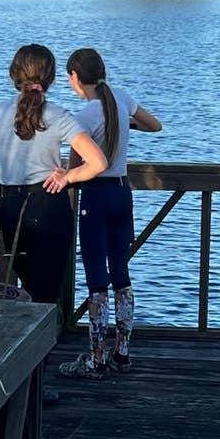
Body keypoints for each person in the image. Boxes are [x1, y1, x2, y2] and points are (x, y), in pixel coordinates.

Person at [0, 44, 109, 314]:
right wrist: (67, 176)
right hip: (48, 205)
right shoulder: (59, 116)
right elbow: (98, 163)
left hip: (10, 207)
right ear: (50, 77)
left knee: (28, 290)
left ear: (15, 74)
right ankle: (43, 352)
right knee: (46, 296)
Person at [58, 47, 163, 379]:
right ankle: (123, 352)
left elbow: (78, 167)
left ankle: (95, 357)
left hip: (97, 196)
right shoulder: (121, 98)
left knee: (95, 279)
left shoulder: (84, 117)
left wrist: (64, 176)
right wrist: (124, 123)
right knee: (121, 273)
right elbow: (155, 125)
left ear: (75, 77)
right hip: (122, 192)